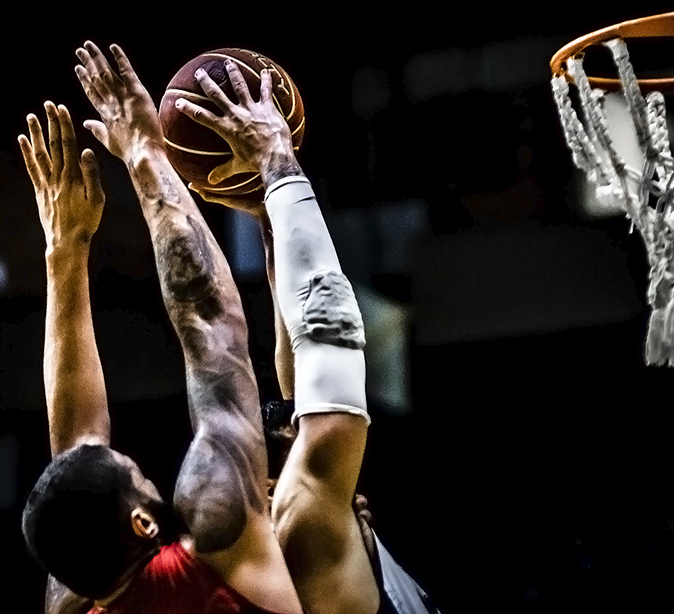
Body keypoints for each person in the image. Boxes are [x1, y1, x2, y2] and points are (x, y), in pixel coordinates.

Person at [20, 42, 304, 614]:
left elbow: (75, 454)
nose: (137, 462)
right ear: (143, 520)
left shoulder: (76, 595)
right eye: (135, 471)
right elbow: (210, 324)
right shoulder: (217, 543)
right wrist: (145, 152)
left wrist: (65, 253)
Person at [177, 55, 441, 614]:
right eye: (294, 434)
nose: (301, 418)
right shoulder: (306, 526)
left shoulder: (298, 521)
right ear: (269, 491)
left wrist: (270, 227)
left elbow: (299, 362)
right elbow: (326, 332)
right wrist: (277, 162)